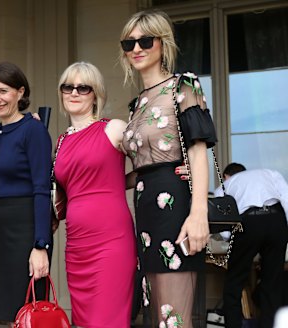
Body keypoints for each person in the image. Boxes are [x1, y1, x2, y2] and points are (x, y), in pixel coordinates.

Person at [119, 10, 217, 327]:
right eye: (128, 42)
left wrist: (198, 212)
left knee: (173, 316)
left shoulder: (183, 86)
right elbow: (143, 167)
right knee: (157, 309)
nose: (136, 48)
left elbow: (197, 150)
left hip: (176, 207)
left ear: (163, 43)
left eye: (145, 40)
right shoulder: (136, 104)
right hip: (146, 211)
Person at [53, 61, 136, 327]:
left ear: (96, 94)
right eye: (68, 87)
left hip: (111, 240)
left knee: (107, 320)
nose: (74, 93)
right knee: (85, 321)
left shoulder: (113, 128)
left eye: (83, 88)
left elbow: (150, 165)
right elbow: (68, 190)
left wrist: (113, 184)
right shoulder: (61, 141)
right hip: (76, 244)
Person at [0, 62, 52, 325]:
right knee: (9, 312)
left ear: (20, 92)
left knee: (30, 312)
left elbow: (42, 189)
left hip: (26, 225)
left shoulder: (33, 130)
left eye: (3, 91)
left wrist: (40, 245)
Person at [213, 164, 288, 328]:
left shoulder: (225, 185)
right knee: (272, 282)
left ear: (226, 175)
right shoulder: (270, 172)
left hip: (249, 222)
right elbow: (286, 198)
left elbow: (224, 223)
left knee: (234, 281)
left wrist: (228, 239)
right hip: (276, 219)